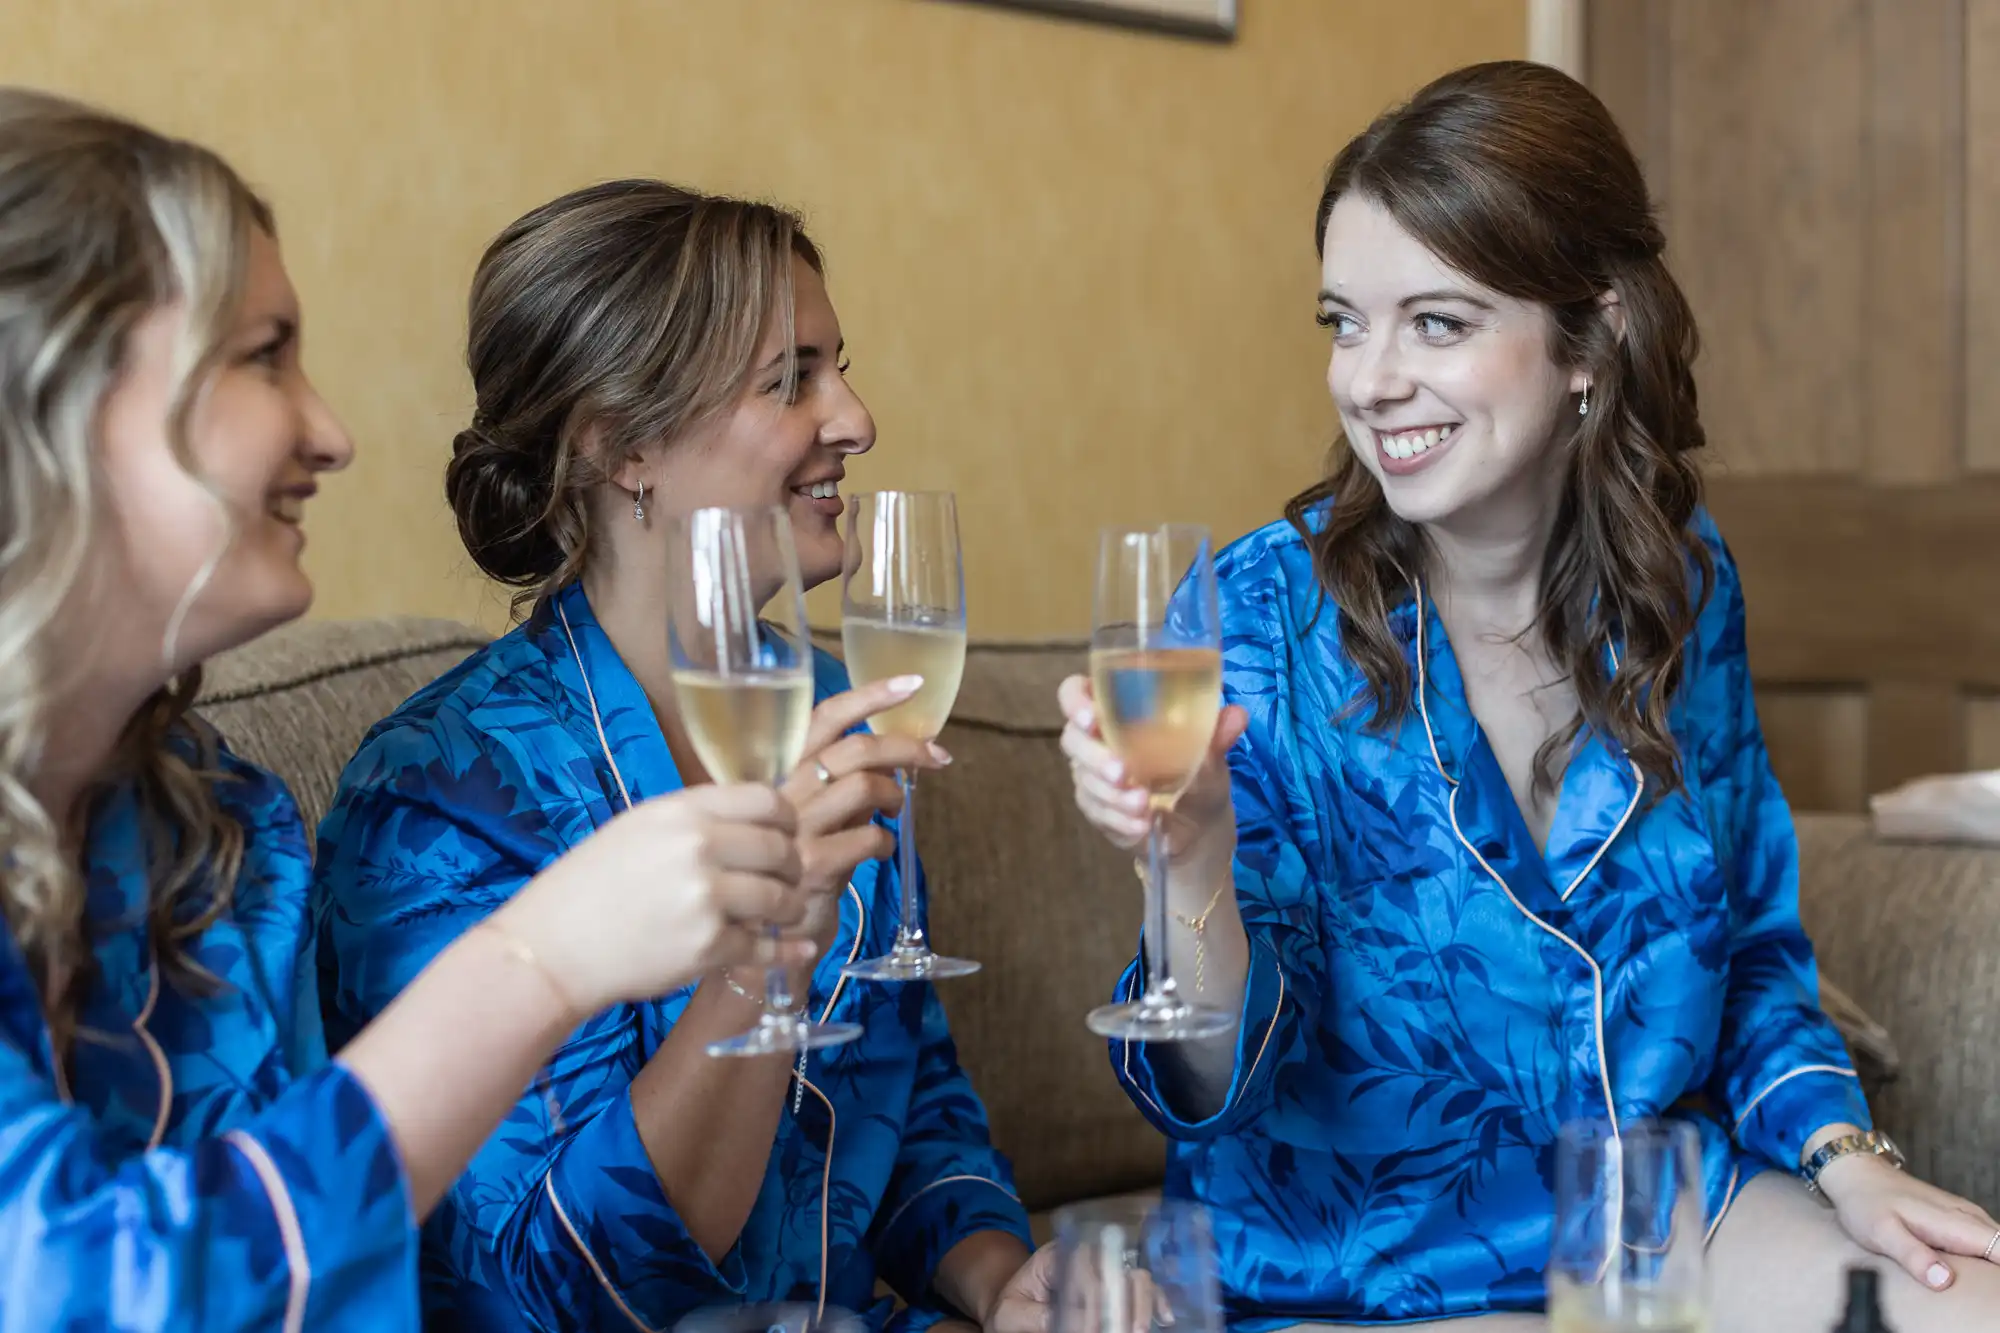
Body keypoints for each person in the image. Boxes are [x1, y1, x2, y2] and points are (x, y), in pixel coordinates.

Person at [1059, 61, 2000, 1333]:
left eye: (1434, 323)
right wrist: (1189, 859)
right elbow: (1214, 1079)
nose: (1367, 379)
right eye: (1343, 320)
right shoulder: (1251, 619)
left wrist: (1849, 1160)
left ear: (1592, 339)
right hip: (1368, 1266)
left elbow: (1752, 947)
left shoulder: (1680, 581)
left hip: (1650, 1213)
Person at [0, 90, 810, 1331]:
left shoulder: (219, 829)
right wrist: (536, 960)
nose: (332, 432)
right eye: (263, 353)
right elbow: (83, 1289)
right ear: (53, 397)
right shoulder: (438, 787)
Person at [314, 180, 1048, 1333]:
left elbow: (910, 1110)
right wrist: (766, 950)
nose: (855, 418)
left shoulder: (833, 716)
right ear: (625, 447)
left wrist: (1005, 1278)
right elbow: (553, 1286)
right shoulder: (441, 794)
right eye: (791, 377)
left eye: (838, 365)